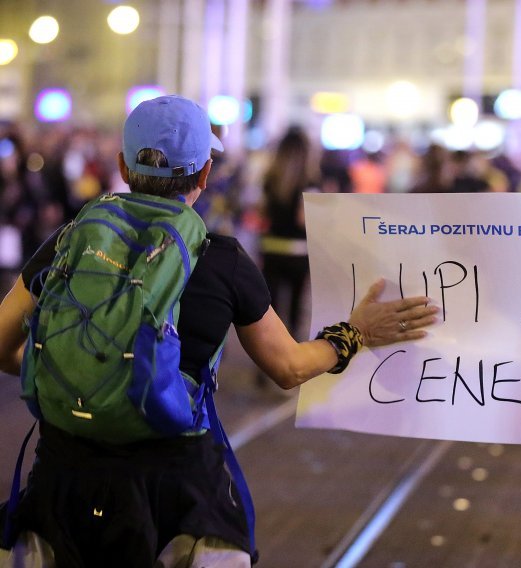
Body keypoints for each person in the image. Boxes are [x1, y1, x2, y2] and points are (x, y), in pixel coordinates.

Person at [0, 95, 439, 567]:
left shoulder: (69, 243)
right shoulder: (222, 260)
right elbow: (289, 368)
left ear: (123, 167)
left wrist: (76, 369)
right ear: (205, 175)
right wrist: (356, 333)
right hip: (176, 492)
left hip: (61, 485)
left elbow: (2, 343)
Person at [259, 126, 317, 342]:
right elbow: (303, 221)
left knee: (270, 308)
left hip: (272, 250)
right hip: (299, 254)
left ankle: (266, 355)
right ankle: (291, 353)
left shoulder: (270, 180)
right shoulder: (310, 183)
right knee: (294, 308)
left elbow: (262, 214)